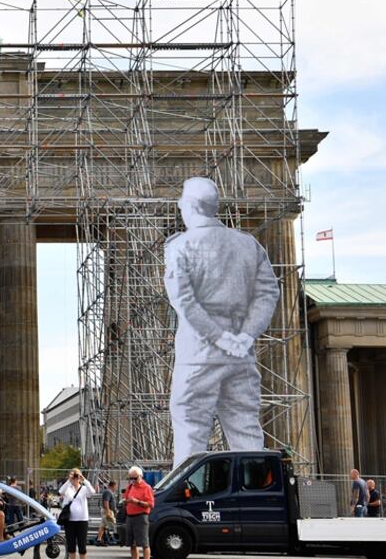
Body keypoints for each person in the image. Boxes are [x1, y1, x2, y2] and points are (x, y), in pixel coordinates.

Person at [164, 177, 280, 467]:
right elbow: (268, 293)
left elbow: (185, 301)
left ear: (189, 206)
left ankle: (188, 499)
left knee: (191, 425)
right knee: (245, 426)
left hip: (199, 352)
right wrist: (246, 335)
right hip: (241, 353)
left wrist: (219, 337)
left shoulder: (181, 246)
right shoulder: (247, 244)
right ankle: (259, 496)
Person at [58, 468, 95, 559]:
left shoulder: (84, 489)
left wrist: (84, 479)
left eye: (76, 476)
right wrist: (69, 481)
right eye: (73, 476)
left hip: (82, 520)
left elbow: (92, 492)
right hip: (69, 520)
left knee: (82, 545)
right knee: (71, 545)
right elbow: (60, 491)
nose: (75, 478)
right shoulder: (68, 488)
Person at [123, 466, 154, 559]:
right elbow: (126, 498)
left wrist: (137, 502)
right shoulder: (130, 486)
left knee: (144, 543)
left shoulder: (146, 488)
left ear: (140, 476)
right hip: (130, 516)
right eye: (130, 478)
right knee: (132, 543)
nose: (133, 480)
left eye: (135, 478)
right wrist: (126, 501)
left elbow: (151, 504)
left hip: (141, 517)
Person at [95, 480, 117, 546]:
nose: (115, 488)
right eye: (115, 487)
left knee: (103, 526)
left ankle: (99, 539)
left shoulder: (109, 492)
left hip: (108, 510)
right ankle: (117, 538)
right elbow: (106, 502)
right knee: (113, 524)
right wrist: (108, 511)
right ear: (112, 486)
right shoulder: (108, 492)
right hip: (107, 510)